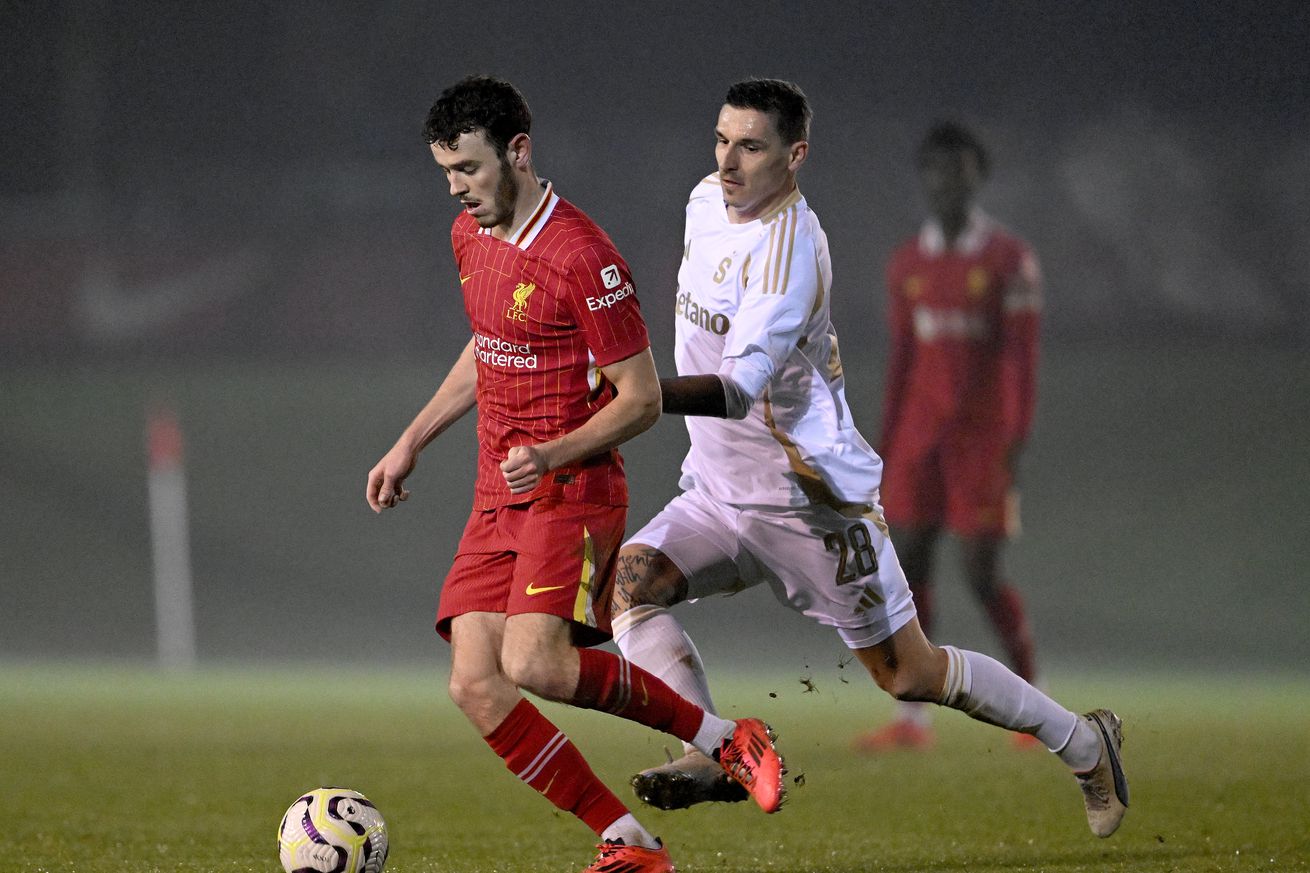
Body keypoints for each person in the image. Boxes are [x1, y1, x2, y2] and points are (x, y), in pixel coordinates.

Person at [608, 79, 1129, 839]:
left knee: (909, 672)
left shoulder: (790, 251)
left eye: (750, 146)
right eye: (721, 140)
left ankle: (1083, 742)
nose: (727, 161)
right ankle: (712, 749)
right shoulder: (703, 201)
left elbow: (737, 388)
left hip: (807, 503)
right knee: (629, 585)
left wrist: (632, 392)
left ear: (795, 155)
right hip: (718, 492)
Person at [366, 75, 783, 873]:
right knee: (476, 684)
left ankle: (727, 737)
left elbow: (642, 397)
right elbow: (489, 345)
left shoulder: (585, 258)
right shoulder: (469, 236)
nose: (456, 189)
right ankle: (630, 841)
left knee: (536, 663)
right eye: (446, 172)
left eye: (469, 169)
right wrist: (411, 438)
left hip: (574, 489)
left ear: (519, 152)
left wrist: (552, 453)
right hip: (499, 493)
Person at [855, 121, 1046, 753]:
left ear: (978, 176)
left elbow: (1020, 359)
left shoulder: (1008, 260)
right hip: (919, 439)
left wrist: (1015, 438)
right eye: (937, 169)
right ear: (925, 178)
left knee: (980, 572)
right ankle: (913, 719)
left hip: (981, 441)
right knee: (908, 568)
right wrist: (885, 444)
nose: (947, 181)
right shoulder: (907, 263)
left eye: (960, 169)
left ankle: (1034, 697)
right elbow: (902, 362)